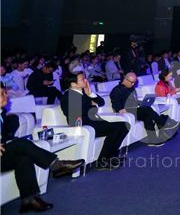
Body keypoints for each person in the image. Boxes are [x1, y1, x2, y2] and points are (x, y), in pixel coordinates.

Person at [1, 84, 85, 213]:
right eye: (1, 94)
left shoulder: (3, 114)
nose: (6, 96)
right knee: (22, 144)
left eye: (5, 92)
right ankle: (56, 166)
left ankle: (29, 200)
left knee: (23, 158)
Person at [60, 72, 130, 170]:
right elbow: (77, 114)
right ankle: (102, 161)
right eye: (82, 79)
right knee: (115, 128)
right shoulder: (68, 96)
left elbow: (101, 102)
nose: (86, 80)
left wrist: (90, 93)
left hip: (92, 121)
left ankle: (111, 156)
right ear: (73, 84)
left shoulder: (84, 92)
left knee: (124, 125)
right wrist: (92, 105)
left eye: (84, 78)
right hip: (82, 125)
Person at [110, 73, 178, 146]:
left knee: (148, 116)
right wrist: (122, 109)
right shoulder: (116, 91)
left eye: (134, 82)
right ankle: (163, 124)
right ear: (125, 80)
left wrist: (142, 102)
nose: (133, 84)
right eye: (131, 82)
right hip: (126, 114)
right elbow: (117, 107)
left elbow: (134, 101)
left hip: (134, 110)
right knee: (147, 109)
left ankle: (152, 140)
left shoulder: (131, 88)